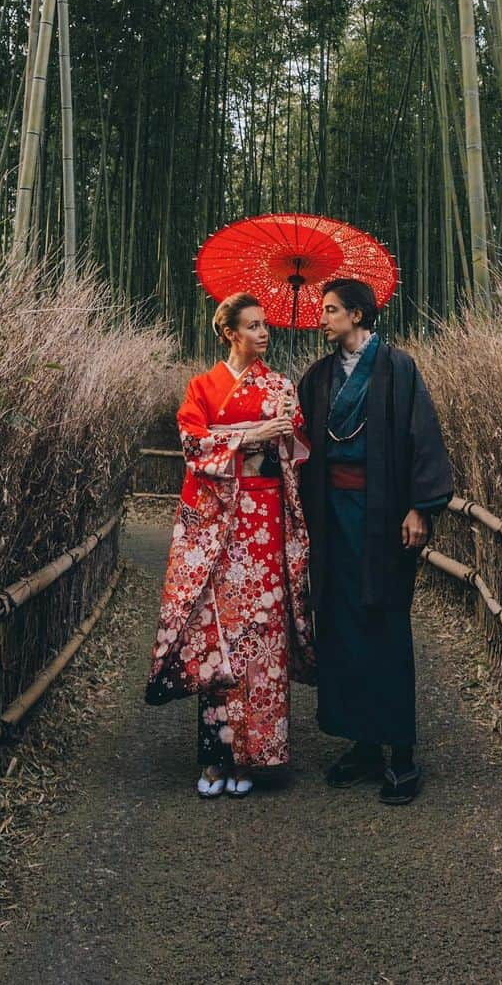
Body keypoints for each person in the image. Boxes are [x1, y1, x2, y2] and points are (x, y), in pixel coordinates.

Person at [146, 292, 315, 798]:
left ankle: (255, 759)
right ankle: (216, 757)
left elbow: (296, 451)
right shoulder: (202, 386)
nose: (265, 333)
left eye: (267, 325)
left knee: (261, 634)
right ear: (230, 333)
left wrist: (284, 430)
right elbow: (193, 444)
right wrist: (254, 431)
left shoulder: (281, 386)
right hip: (220, 522)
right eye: (254, 325)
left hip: (264, 517)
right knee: (219, 635)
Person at [298, 278, 453, 805]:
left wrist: (419, 507)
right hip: (331, 519)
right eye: (321, 309)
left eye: (332, 309)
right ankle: (363, 744)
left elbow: (422, 438)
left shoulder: (397, 368)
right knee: (340, 625)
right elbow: (299, 450)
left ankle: (402, 754)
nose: (322, 318)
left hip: (384, 515)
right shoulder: (317, 377)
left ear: (358, 315)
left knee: (383, 621)